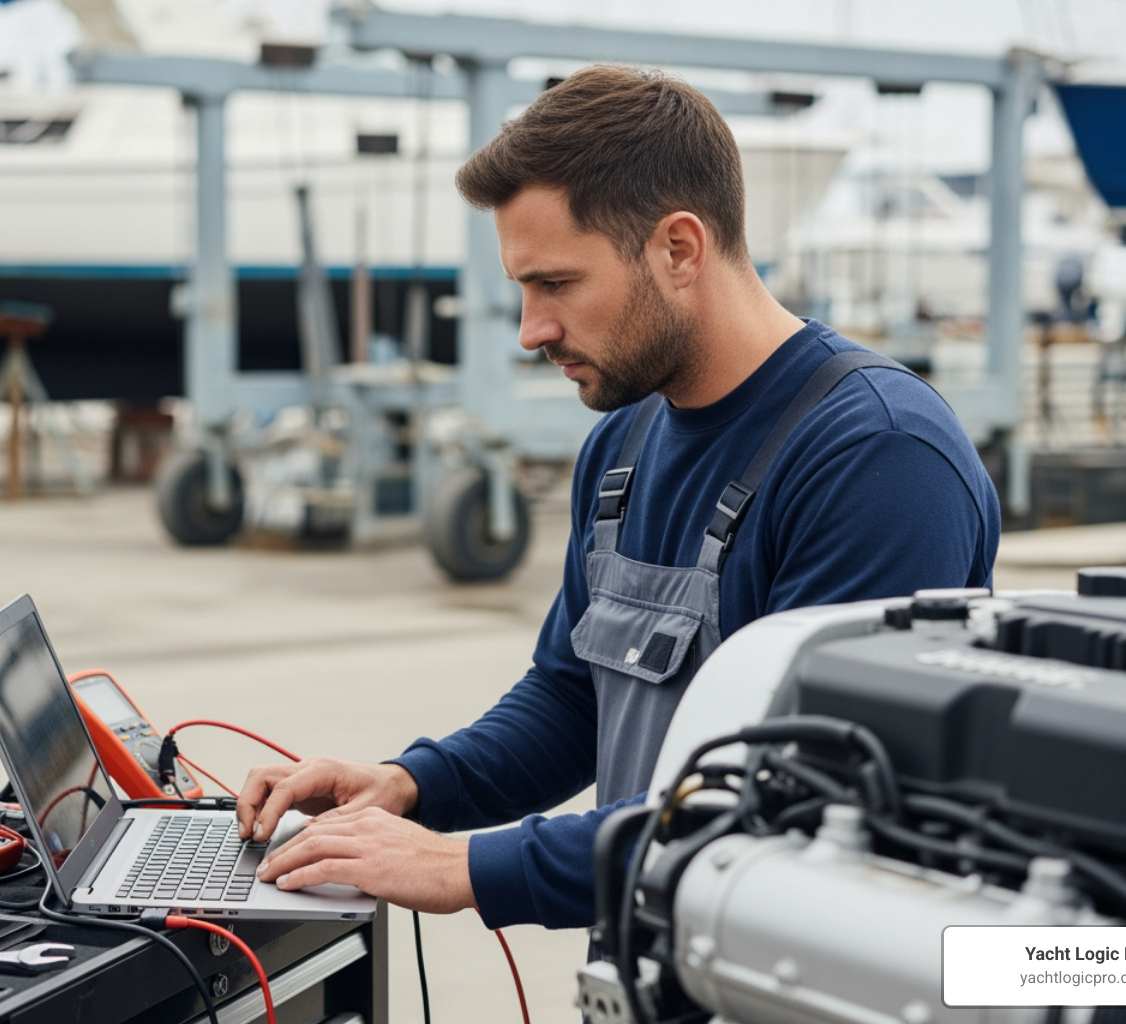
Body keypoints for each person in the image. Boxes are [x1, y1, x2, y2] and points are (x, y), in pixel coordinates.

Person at [237, 65, 1001, 930]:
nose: (532, 332)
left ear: (679, 249)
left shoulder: (877, 458)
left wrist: (470, 866)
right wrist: (413, 786)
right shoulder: (622, 440)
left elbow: (798, 811)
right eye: (522, 290)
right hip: (651, 968)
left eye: (555, 285)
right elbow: (572, 697)